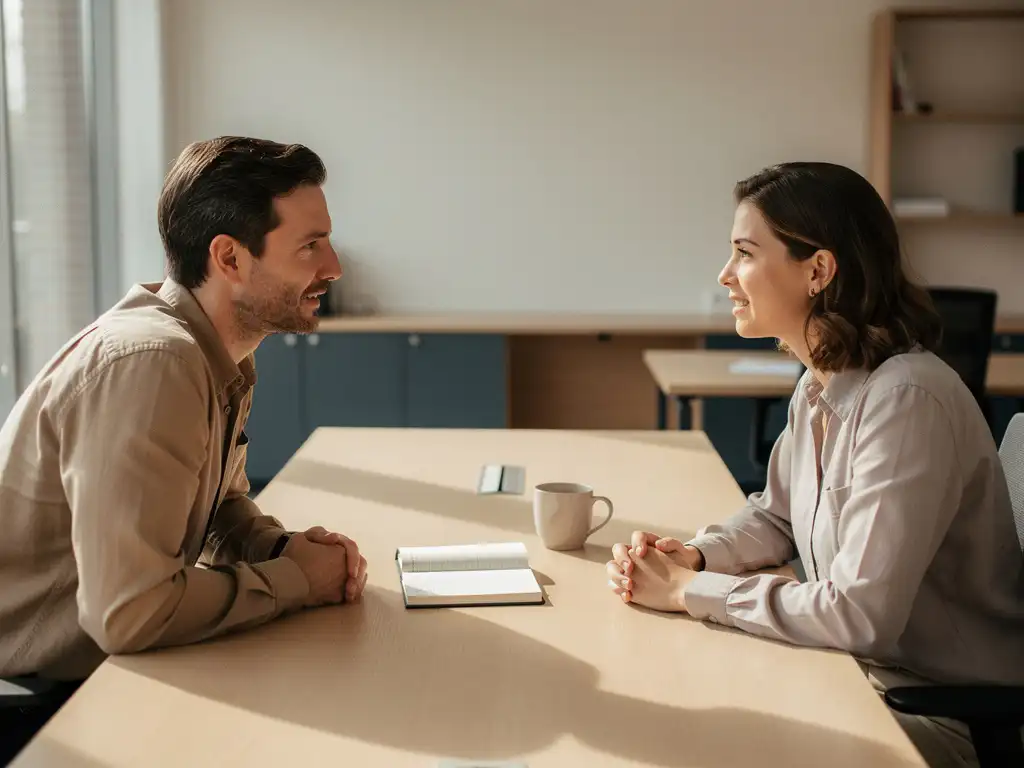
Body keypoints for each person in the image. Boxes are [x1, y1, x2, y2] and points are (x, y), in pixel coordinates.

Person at [605, 162, 1024, 768]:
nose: (725, 276)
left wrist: (692, 591)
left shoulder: (907, 400)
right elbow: (775, 517)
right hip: (861, 679)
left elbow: (860, 616)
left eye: (745, 254)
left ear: (818, 271)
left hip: (936, 713)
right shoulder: (821, 384)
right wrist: (694, 555)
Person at [0, 136, 367, 758]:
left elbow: (215, 505)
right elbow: (131, 613)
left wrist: (275, 545)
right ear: (228, 257)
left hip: (89, 675)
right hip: (35, 703)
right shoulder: (154, 362)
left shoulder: (213, 354)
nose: (333, 266)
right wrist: (293, 582)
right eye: (310, 245)